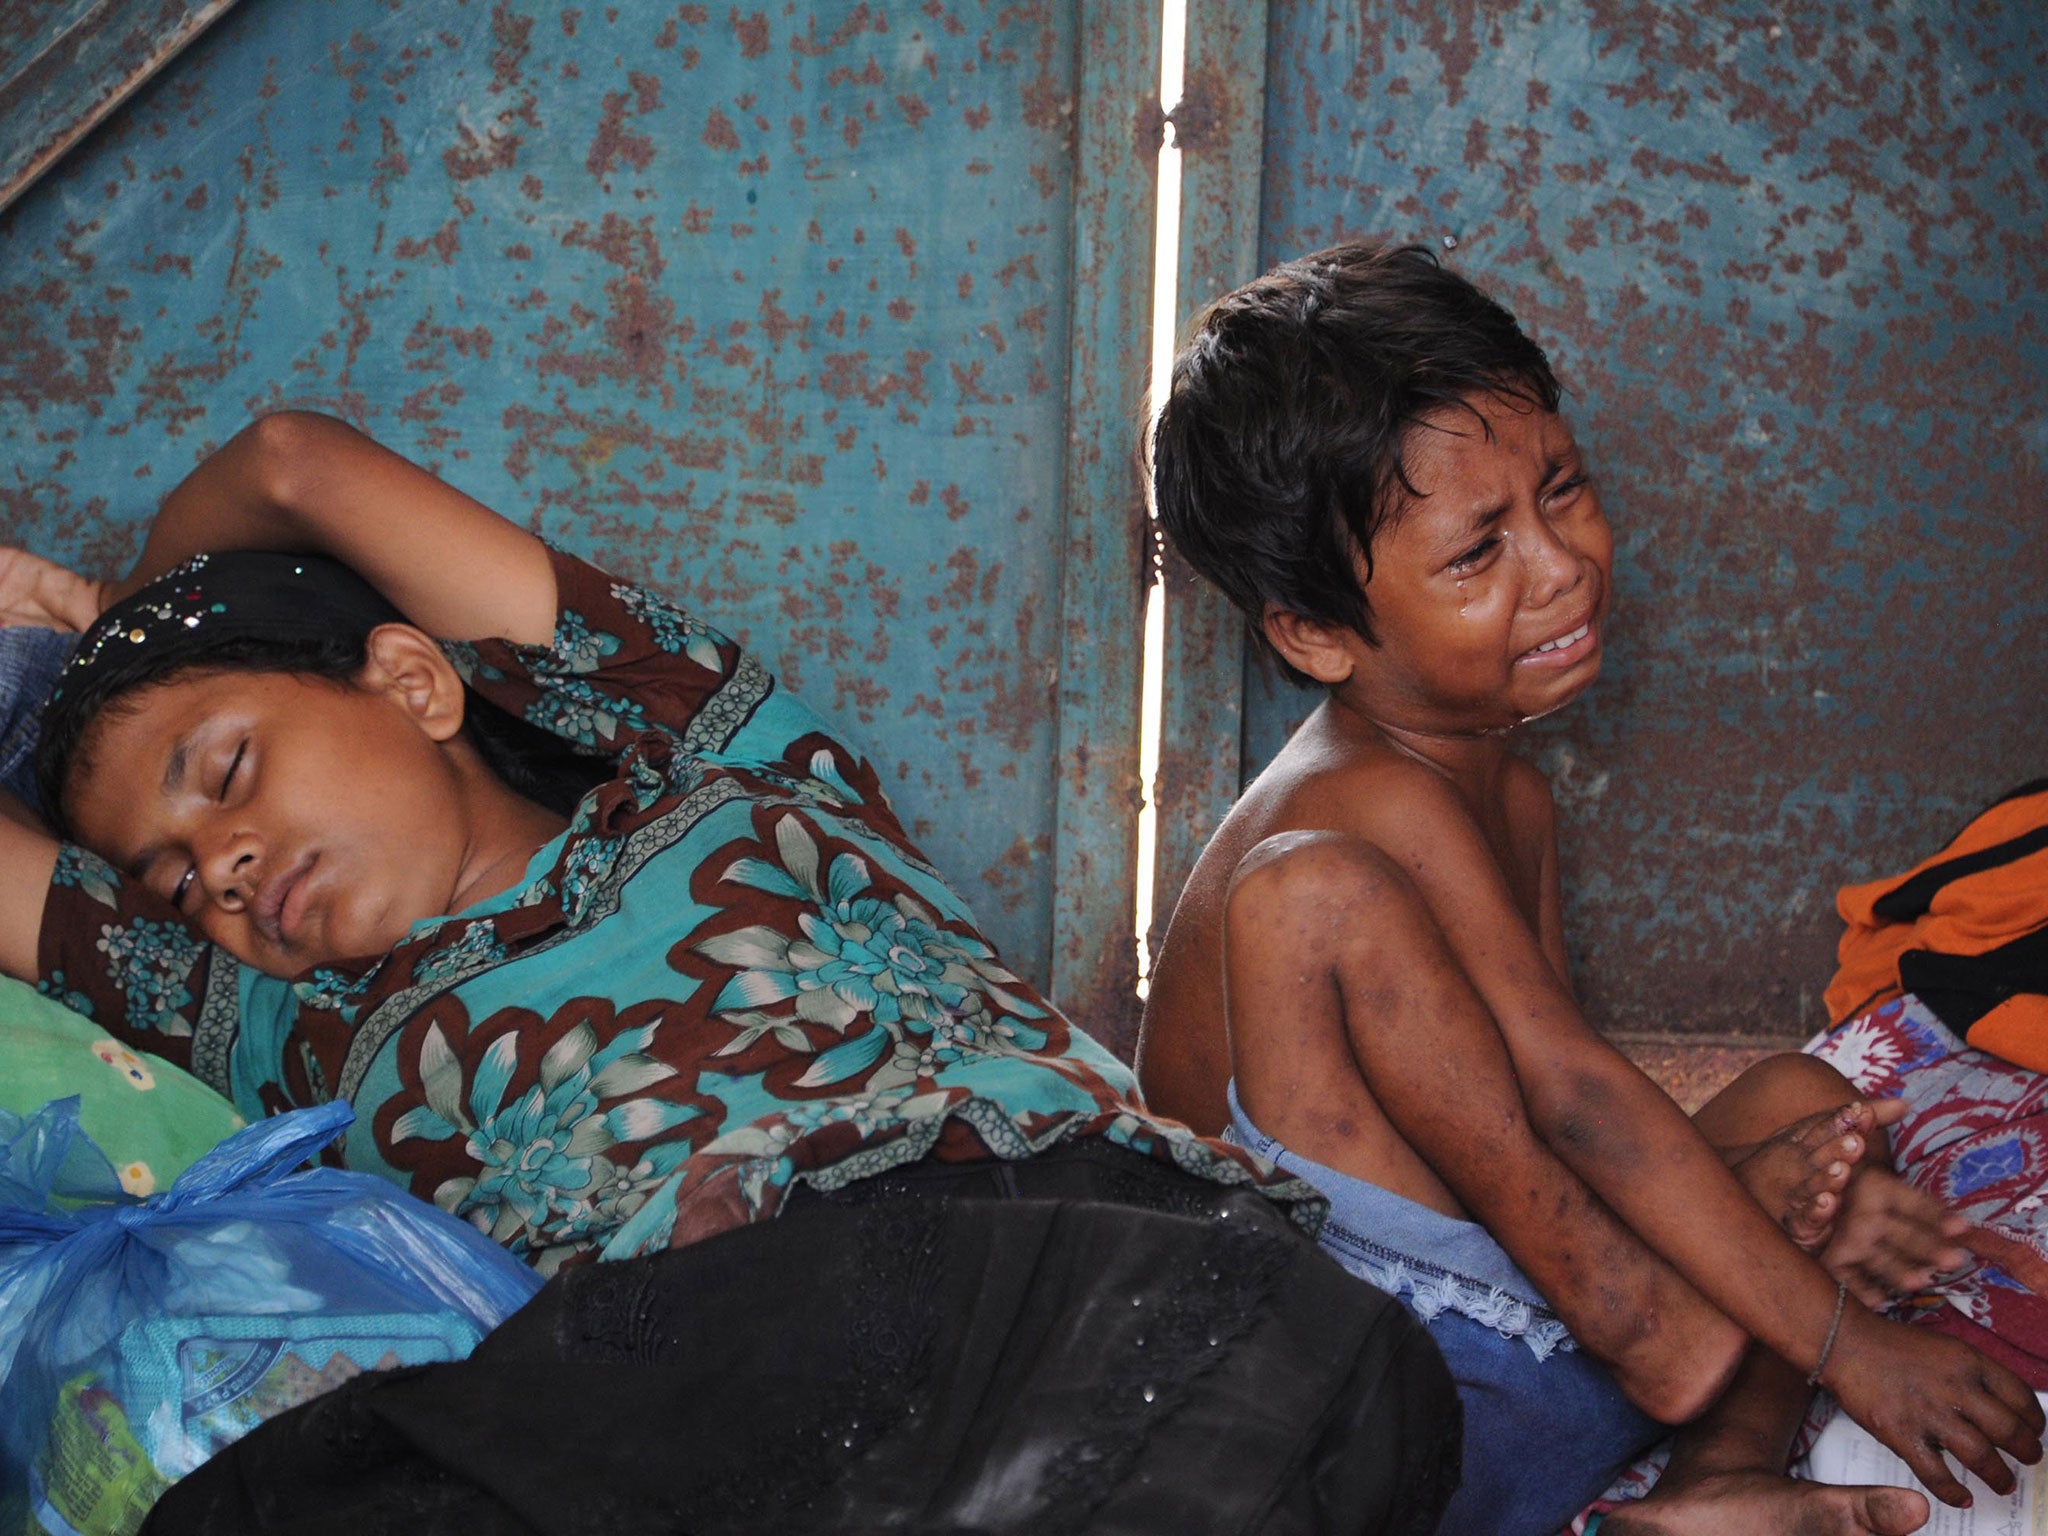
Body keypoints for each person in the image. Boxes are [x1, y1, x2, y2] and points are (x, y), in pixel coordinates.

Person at [0, 411, 1458, 1530]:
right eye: (176, 877)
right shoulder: (277, 1020)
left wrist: (117, 627)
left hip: (1044, 1239)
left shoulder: (705, 752)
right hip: (674, 1371)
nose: (225, 867)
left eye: (230, 770)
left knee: (1246, 1385)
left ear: (412, 681)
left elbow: (290, 461)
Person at [1138, 242, 2043, 1535]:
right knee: (1313, 894)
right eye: (1478, 553)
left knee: (1814, 1101)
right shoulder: (1361, 800)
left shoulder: (1507, 789)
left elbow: (1534, 1106)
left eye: (1562, 490)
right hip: (1375, 1384)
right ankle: (1682, 1345)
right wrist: (1846, 1340)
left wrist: (1763, 1201)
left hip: (1537, 1339)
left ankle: (1710, 1481)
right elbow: (1564, 1102)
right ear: (1317, 630)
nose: (1559, 564)